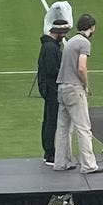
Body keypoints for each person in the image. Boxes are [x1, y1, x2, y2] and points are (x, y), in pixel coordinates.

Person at [53, 13, 103, 173]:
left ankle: (61, 162)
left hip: (62, 88)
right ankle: (88, 165)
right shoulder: (83, 43)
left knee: (63, 128)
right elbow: (81, 67)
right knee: (83, 127)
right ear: (92, 27)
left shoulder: (71, 41)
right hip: (74, 89)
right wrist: (86, 85)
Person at [37, 14, 70, 166]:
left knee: (49, 121)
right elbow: (52, 70)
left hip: (49, 88)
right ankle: (50, 153)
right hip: (52, 90)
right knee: (51, 122)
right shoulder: (51, 48)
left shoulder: (49, 46)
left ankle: (49, 151)